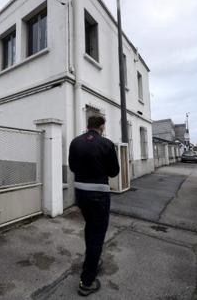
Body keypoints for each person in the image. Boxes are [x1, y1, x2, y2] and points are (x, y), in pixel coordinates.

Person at [68, 115, 120, 296]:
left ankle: (93, 258)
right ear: (102, 126)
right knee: (97, 234)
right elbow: (114, 172)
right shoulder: (106, 144)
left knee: (91, 227)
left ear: (88, 126)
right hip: (99, 194)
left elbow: (73, 167)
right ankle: (87, 282)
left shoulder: (75, 142)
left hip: (80, 193)